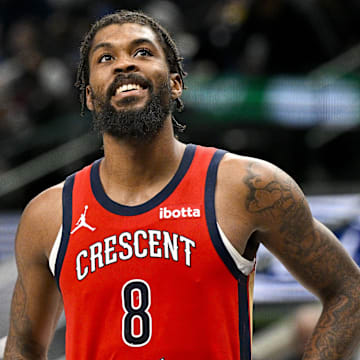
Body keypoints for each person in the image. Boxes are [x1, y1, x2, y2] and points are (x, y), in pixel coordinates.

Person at [4, 9, 360, 360]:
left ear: (175, 83)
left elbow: (349, 289)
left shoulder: (248, 186)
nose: (124, 64)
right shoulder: (49, 214)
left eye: (142, 52)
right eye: (105, 57)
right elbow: (22, 347)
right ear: (89, 98)